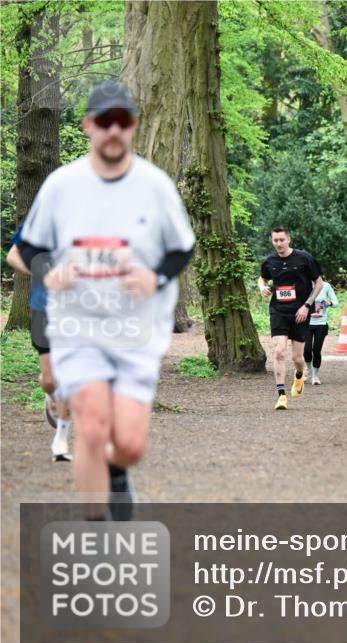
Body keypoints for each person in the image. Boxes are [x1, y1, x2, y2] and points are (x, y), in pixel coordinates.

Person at [17, 81, 195, 520]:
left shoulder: (154, 186)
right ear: (88, 126)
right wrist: (49, 271)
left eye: (122, 122)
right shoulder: (63, 185)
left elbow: (182, 248)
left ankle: (118, 474)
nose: (113, 131)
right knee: (92, 427)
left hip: (137, 330)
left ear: (133, 127)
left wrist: (153, 277)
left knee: (130, 444)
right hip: (77, 326)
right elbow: (26, 248)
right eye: (103, 122)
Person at [6, 226, 72, 462]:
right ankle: (51, 395)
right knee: (50, 380)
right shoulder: (41, 218)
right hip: (43, 307)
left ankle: (61, 440)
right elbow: (13, 255)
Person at [258, 227, 323, 409]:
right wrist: (261, 287)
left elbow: (319, 283)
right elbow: (262, 278)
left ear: (289, 240)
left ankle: (300, 375)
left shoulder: (304, 258)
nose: (278, 243)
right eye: (275, 240)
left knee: (297, 358)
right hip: (278, 311)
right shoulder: (269, 261)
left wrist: (307, 305)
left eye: (281, 240)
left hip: (300, 313)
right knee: (279, 352)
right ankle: (281, 396)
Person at [304, 279, 337, 385]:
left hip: (321, 323)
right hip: (306, 323)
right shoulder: (304, 283)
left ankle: (315, 376)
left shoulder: (326, 286)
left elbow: (336, 303)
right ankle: (309, 369)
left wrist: (330, 303)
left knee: (316, 351)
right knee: (307, 350)